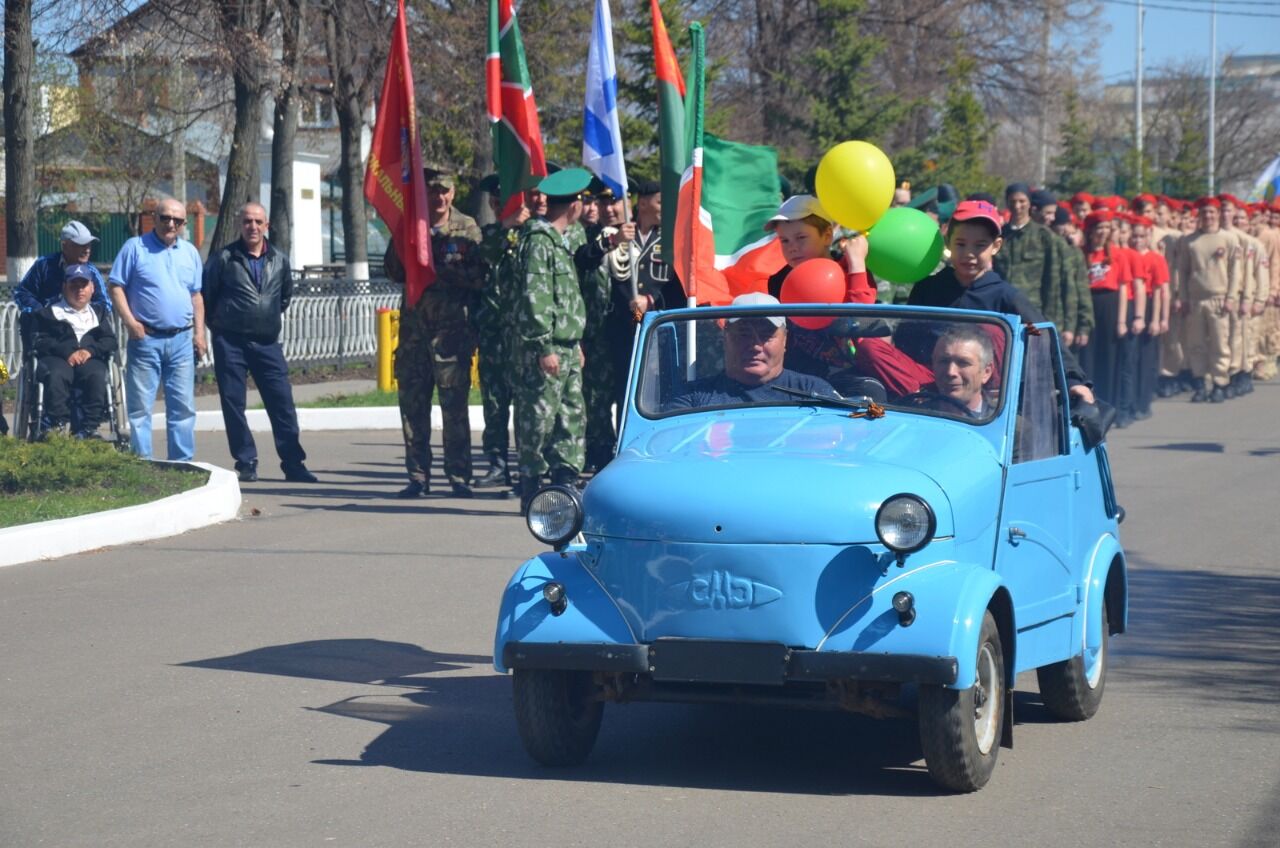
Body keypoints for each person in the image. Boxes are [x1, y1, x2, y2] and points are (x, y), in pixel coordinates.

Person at [383, 166, 486, 498]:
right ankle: (418, 476)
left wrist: (437, 266)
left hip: (451, 334)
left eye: (444, 191)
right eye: (432, 191)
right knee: (413, 407)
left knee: (454, 409)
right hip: (414, 333)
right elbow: (393, 271)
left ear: (453, 193)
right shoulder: (411, 226)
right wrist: (405, 242)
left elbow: (479, 276)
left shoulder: (467, 227)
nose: (438, 197)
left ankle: (458, 477)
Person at [202, 202, 316, 483]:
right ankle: (245, 461)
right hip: (230, 343)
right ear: (240, 225)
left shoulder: (279, 259)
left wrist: (262, 317)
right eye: (247, 222)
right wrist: (223, 326)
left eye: (258, 222)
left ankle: (293, 463)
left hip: (267, 343)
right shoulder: (224, 258)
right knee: (233, 403)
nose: (252, 227)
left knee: (282, 404)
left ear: (267, 226)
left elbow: (284, 297)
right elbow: (208, 296)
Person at [514, 167, 592, 511]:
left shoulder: (561, 242)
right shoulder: (539, 242)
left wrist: (575, 343)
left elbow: (567, 299)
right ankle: (530, 485)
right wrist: (544, 346)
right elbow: (536, 298)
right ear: (574, 207)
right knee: (539, 420)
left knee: (571, 418)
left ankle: (564, 487)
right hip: (548, 348)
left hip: (569, 346)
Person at [108, 197, 206, 460]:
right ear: (155, 217)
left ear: (184, 224)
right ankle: (142, 464)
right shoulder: (135, 248)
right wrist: (131, 323)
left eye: (177, 220)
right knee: (140, 408)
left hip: (182, 340)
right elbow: (116, 286)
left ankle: (182, 464)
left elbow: (196, 296)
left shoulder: (190, 253)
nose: (170, 223)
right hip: (146, 339)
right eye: (165, 218)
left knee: (183, 408)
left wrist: (199, 333)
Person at [667, 293, 838, 409]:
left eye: (766, 335)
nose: (755, 345)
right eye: (744, 334)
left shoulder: (814, 392)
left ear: (785, 339)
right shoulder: (693, 399)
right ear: (725, 338)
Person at [473, 176, 530, 490]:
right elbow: (486, 254)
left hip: (521, 337)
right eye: (494, 201)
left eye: (503, 200)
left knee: (524, 407)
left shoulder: (530, 238)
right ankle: (497, 465)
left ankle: (526, 468)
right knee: (494, 405)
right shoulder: (489, 235)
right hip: (493, 336)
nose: (497, 205)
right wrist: (506, 226)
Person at [29, 264, 117, 438]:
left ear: (92, 288)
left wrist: (90, 350)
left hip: (89, 359)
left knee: (97, 374)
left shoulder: (98, 314)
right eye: (73, 286)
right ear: (64, 287)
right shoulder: (49, 313)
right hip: (58, 358)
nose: (79, 290)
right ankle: (57, 424)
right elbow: (39, 340)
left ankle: (90, 427)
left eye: (83, 286)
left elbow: (110, 341)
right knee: (57, 374)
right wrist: (67, 352)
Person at [1178, 198, 1238, 403]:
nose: (1208, 217)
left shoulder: (1229, 239)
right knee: (1196, 344)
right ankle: (1201, 383)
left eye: (1212, 212)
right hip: (1196, 300)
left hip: (1219, 299)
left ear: (1218, 214)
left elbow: (1235, 271)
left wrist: (1231, 297)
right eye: (1204, 213)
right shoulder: (1189, 241)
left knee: (1220, 344)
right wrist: (1183, 298)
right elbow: (1183, 272)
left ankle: (1220, 383)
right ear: (1199, 216)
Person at [995, 183, 1072, 335]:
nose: (1017, 206)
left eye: (1022, 201)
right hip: (1003, 313)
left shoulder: (1044, 236)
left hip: (1033, 311)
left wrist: (1051, 322)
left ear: (1029, 203)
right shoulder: (999, 235)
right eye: (1012, 201)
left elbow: (1053, 282)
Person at [14, 221, 112, 314]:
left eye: (89, 245)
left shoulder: (92, 272)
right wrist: (41, 313)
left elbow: (105, 304)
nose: (87, 250)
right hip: (45, 329)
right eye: (81, 245)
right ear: (65, 246)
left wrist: (84, 317)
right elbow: (22, 293)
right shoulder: (44, 265)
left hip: (82, 329)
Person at [930, 325, 996, 418]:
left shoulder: (1007, 427)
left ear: (986, 372)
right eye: (944, 361)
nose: (950, 372)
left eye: (963, 363)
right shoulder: (912, 416)